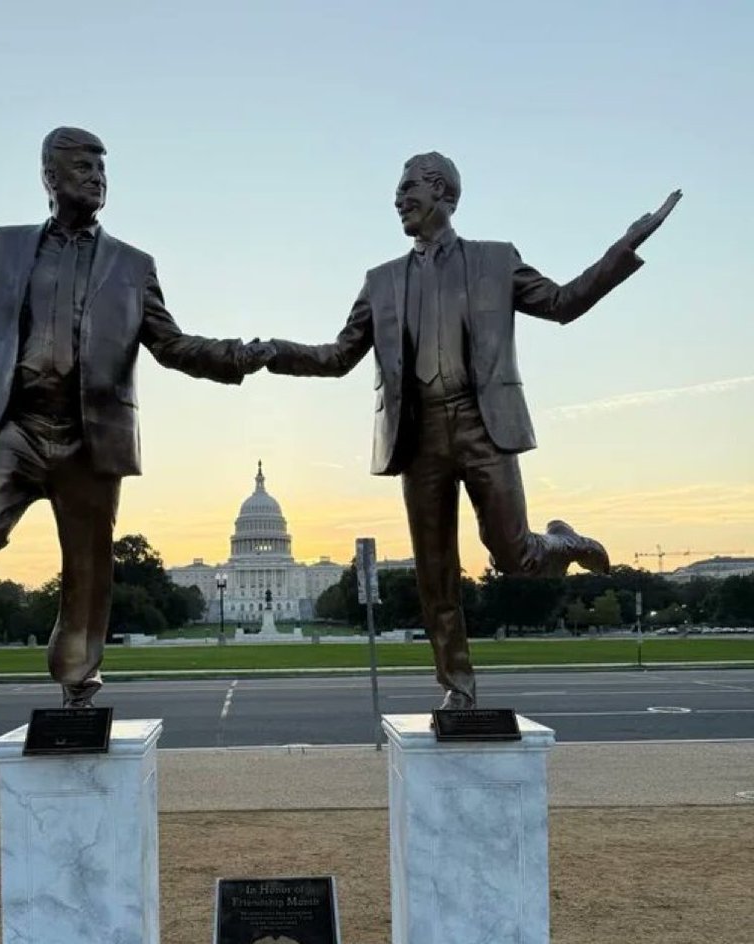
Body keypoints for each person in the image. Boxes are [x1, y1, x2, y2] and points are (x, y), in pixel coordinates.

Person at [0, 127, 267, 706]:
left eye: (102, 170)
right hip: (20, 425)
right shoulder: (5, 247)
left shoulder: (134, 266)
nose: (96, 178)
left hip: (91, 437)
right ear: (50, 177)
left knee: (88, 570)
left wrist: (239, 355)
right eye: (83, 167)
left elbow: (173, 346)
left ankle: (78, 679)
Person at [261, 151, 680, 709]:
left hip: (484, 427)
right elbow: (339, 355)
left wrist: (626, 246)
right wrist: (273, 353)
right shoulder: (381, 281)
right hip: (418, 436)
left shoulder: (495, 261)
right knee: (435, 574)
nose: (397, 200)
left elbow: (562, 303)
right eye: (397, 191)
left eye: (408, 188)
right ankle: (458, 690)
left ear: (444, 195)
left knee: (513, 557)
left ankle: (561, 541)